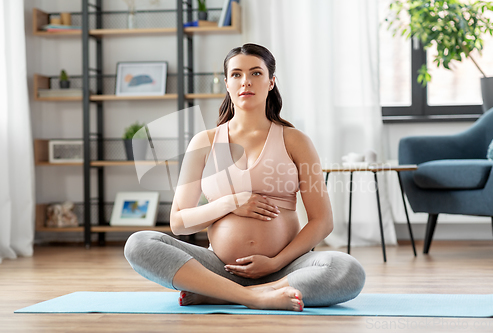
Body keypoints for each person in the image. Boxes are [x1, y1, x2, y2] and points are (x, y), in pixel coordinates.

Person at [124, 43, 365, 312]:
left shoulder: (295, 140)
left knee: (348, 269)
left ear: (271, 81)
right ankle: (252, 296)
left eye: (256, 73)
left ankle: (227, 294)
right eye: (236, 74)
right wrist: (231, 203)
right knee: (139, 243)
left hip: (285, 269)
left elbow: (322, 221)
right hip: (218, 268)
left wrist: (275, 263)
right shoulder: (204, 142)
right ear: (226, 83)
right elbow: (179, 223)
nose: (245, 82)